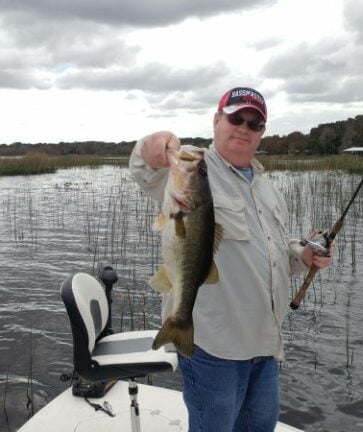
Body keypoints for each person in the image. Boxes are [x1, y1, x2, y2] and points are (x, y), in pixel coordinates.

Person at [129, 86, 332, 431]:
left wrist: (304, 255)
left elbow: (276, 255)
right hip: (213, 344)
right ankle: (178, 329)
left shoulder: (267, 188)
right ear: (217, 120)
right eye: (236, 117)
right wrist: (155, 145)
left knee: (260, 425)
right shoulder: (194, 164)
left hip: (264, 342)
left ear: (262, 132)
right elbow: (145, 166)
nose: (244, 127)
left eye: (254, 123)